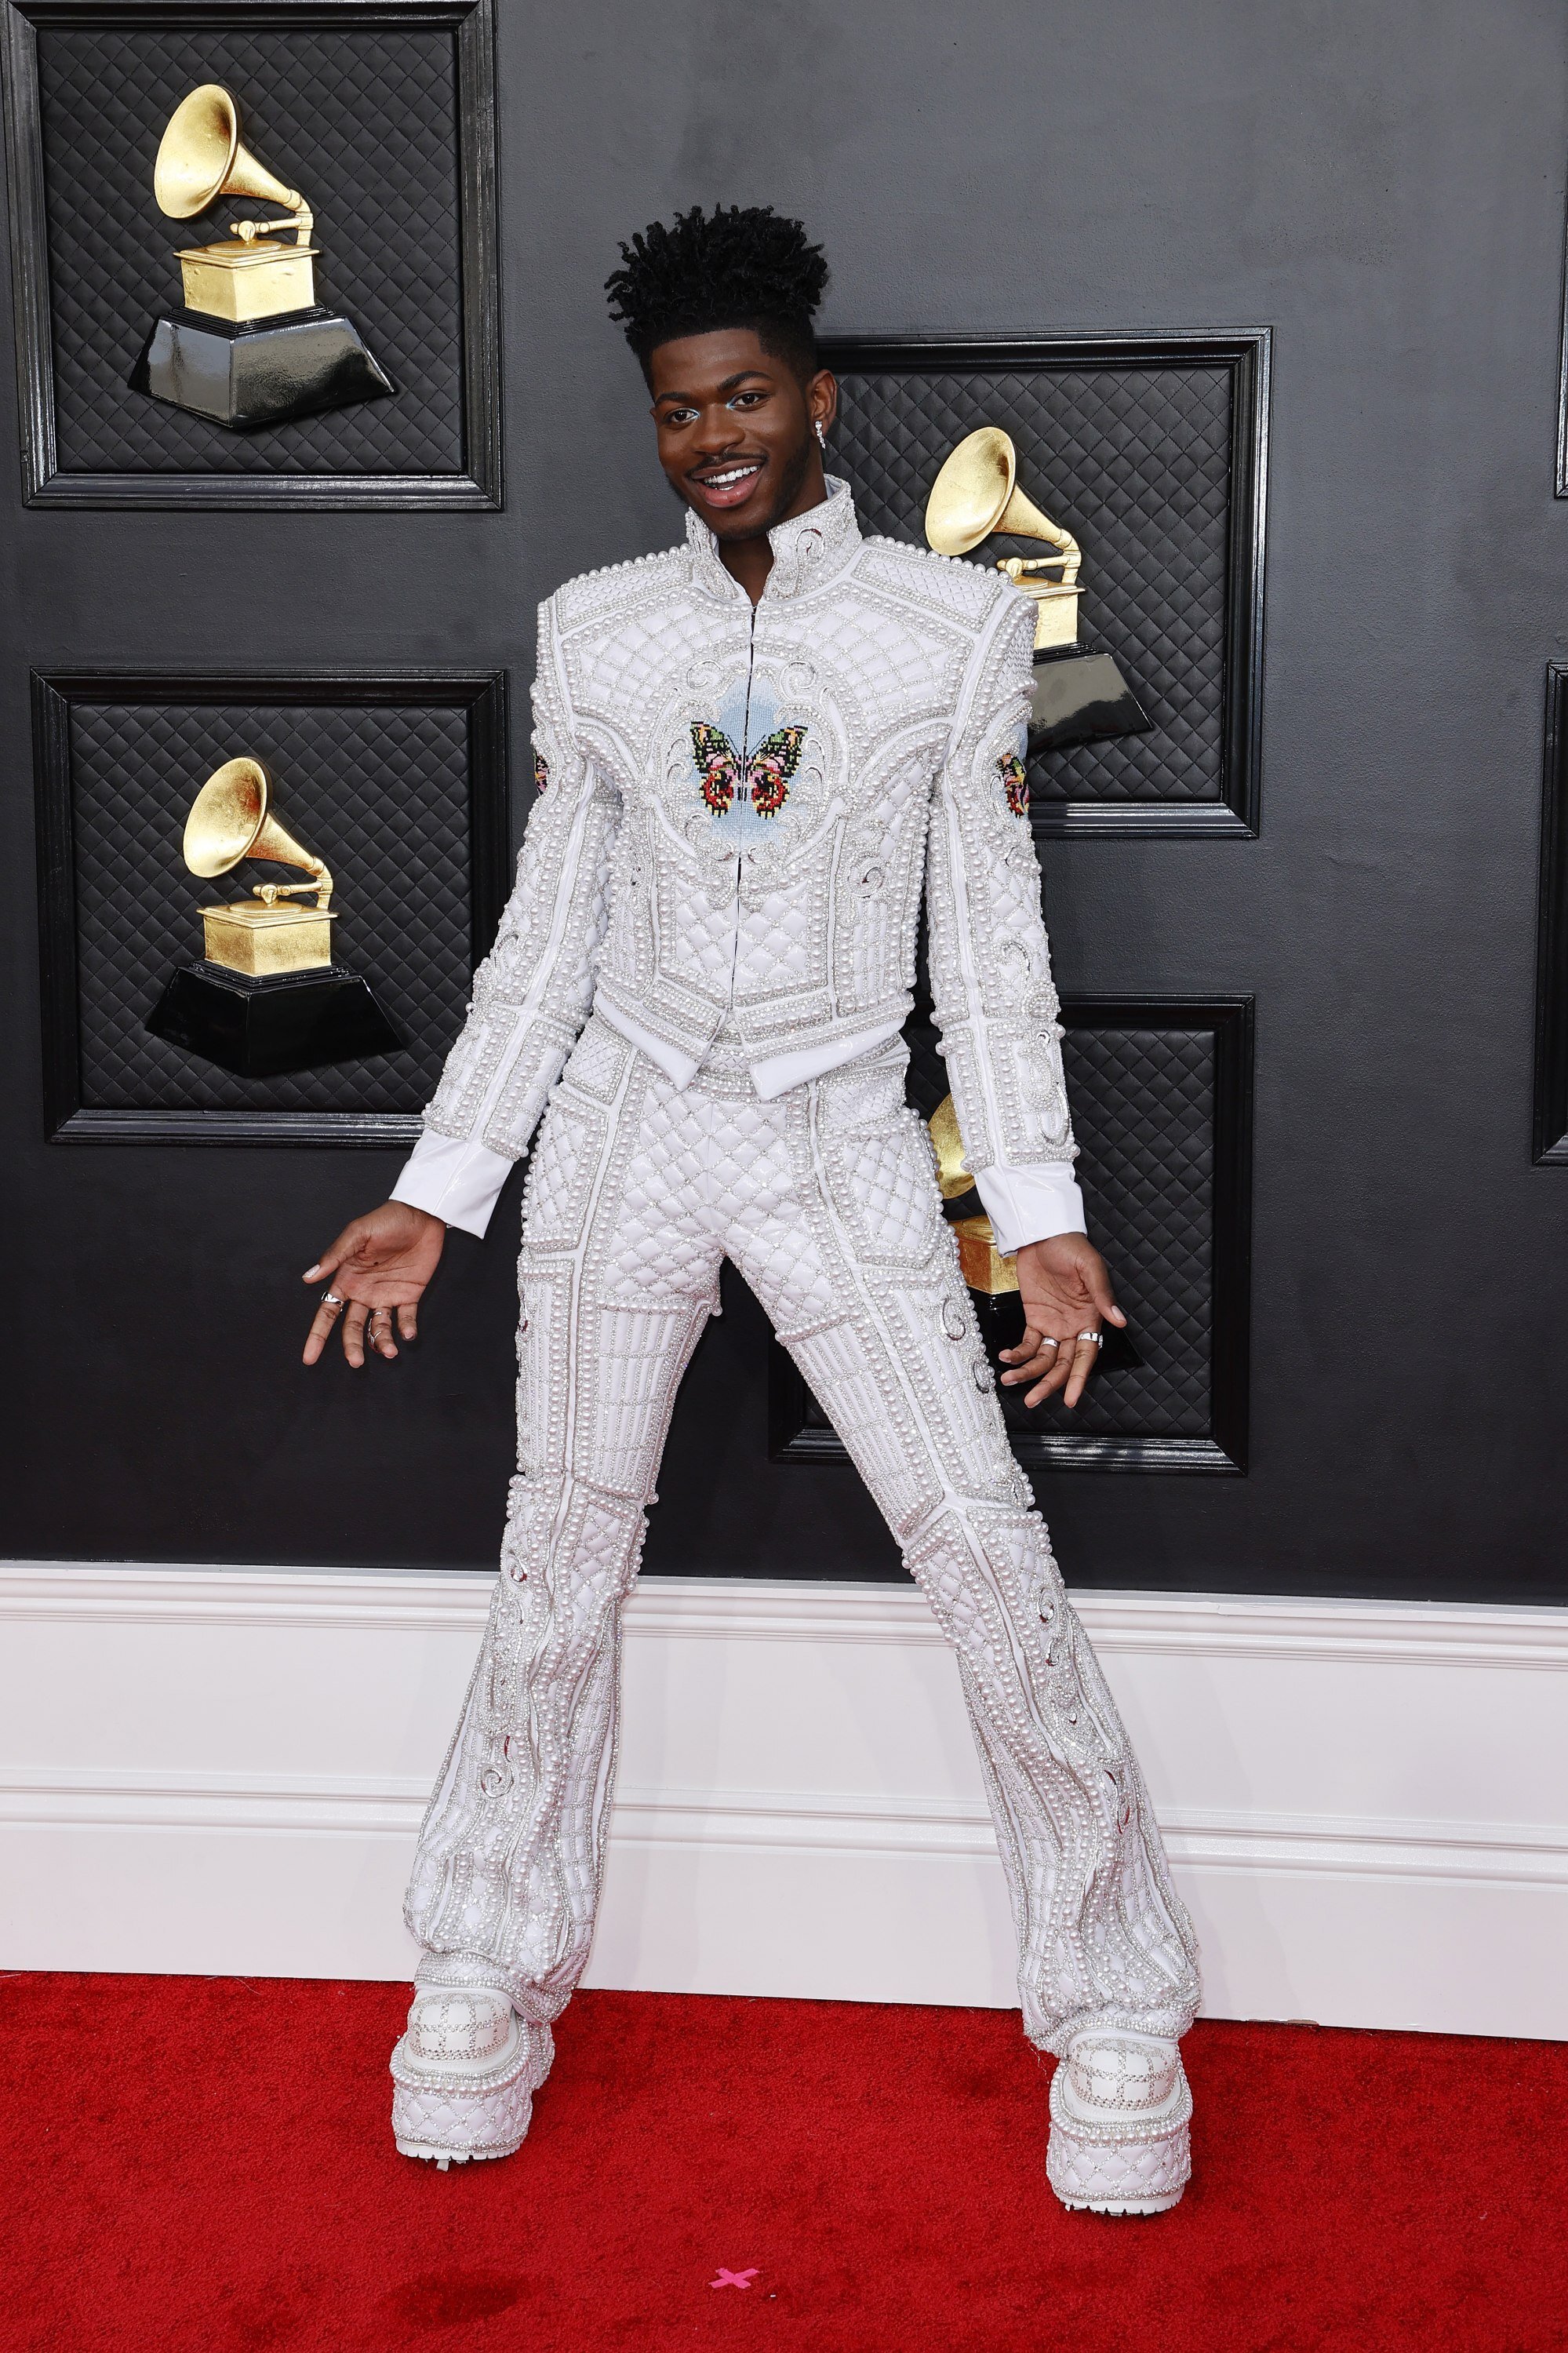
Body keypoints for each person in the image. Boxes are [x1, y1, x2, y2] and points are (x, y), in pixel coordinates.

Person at [300, 206, 1201, 2213]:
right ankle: (480, 1964)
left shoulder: (949, 630)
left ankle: (1117, 1998)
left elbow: (987, 953)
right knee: (558, 1564)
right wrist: (439, 1189)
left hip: (834, 1135)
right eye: (677, 409)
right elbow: (542, 944)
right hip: (624, 1127)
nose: (710, 435)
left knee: (979, 1547)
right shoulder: (597, 628)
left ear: (815, 401)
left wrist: (1035, 1215)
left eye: (743, 398)